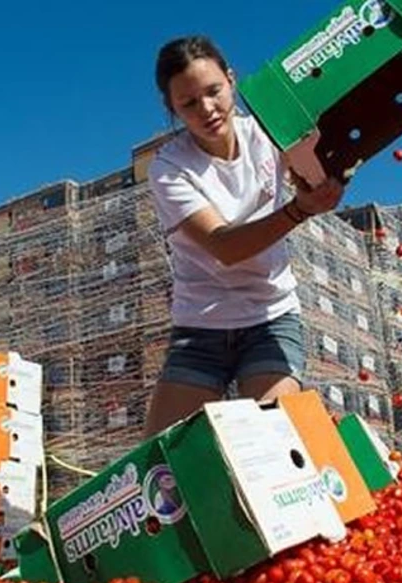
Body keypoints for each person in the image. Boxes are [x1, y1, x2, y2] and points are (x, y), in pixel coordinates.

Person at [144, 36, 345, 436]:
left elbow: (322, 142)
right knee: (159, 461)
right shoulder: (170, 168)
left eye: (213, 91)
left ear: (231, 80)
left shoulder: (268, 136)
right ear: (173, 110)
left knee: (274, 440)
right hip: (200, 326)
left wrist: (329, 176)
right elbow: (225, 247)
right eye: (188, 103)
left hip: (271, 317)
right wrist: (300, 208)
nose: (207, 109)